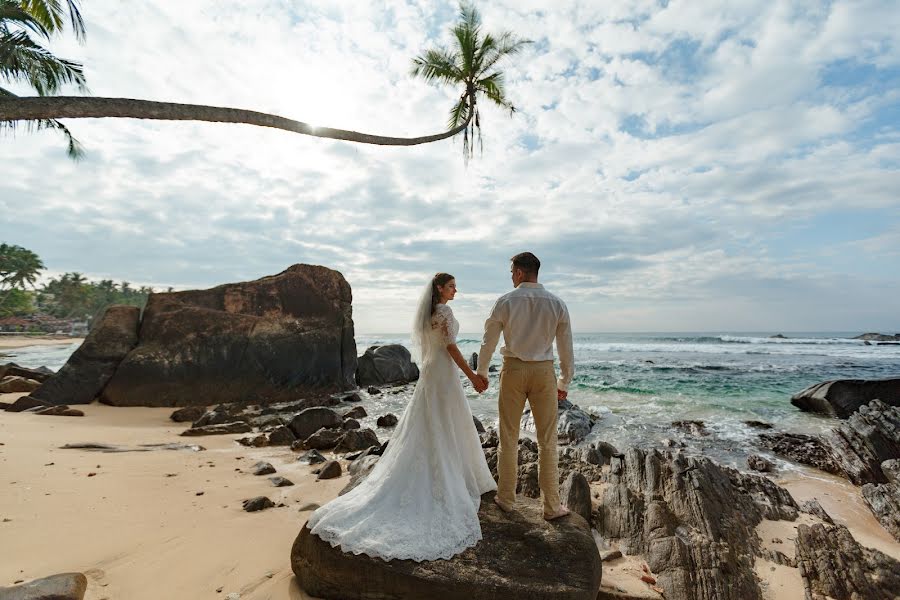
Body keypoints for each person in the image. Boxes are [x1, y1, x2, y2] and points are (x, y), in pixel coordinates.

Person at [307, 272, 496, 561]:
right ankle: (450, 477)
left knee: (430, 423)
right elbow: (451, 347)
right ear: (439, 289)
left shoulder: (430, 313)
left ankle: (446, 471)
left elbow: (435, 347)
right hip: (443, 375)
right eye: (451, 286)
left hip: (432, 374)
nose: (455, 290)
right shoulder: (444, 311)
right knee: (445, 423)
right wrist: (471, 376)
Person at [475, 252, 575, 520]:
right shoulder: (557, 304)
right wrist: (565, 381)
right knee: (547, 441)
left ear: (519, 273)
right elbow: (566, 348)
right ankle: (551, 507)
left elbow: (488, 342)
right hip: (544, 373)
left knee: (508, 435)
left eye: (511, 272)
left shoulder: (505, 302)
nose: (510, 277)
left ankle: (507, 499)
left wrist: (482, 372)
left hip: (514, 370)